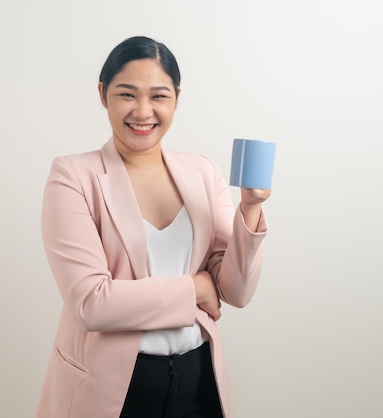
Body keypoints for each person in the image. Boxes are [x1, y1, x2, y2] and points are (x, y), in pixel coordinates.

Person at [36, 36, 271, 418]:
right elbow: (92, 303)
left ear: (176, 97)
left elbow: (235, 291)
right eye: (127, 94)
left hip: (198, 377)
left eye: (159, 96)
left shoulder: (202, 172)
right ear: (103, 94)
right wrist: (194, 287)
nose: (143, 111)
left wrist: (250, 207)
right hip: (114, 387)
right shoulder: (73, 176)